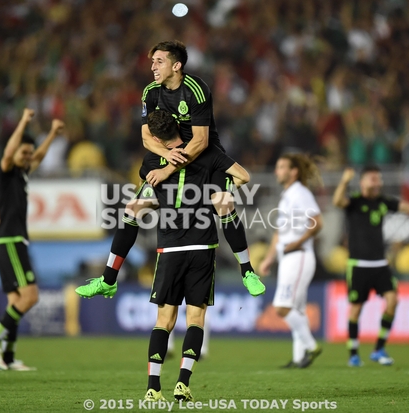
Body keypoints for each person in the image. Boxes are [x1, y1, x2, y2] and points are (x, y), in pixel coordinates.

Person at [76, 40, 264, 300]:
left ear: (176, 66)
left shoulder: (196, 90)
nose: (152, 66)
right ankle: (108, 279)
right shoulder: (150, 92)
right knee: (132, 209)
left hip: (204, 155)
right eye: (152, 61)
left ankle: (247, 271)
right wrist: (166, 155)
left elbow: (200, 141)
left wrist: (166, 171)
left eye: (159, 61)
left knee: (224, 202)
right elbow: (145, 136)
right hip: (170, 153)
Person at [132, 110, 252, 401]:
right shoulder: (208, 155)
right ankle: (183, 382)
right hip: (201, 247)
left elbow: (141, 204)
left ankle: (152, 387)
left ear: (156, 137)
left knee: (164, 319)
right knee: (196, 317)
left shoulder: (151, 162)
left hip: (169, 247)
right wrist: (218, 192)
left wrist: (159, 204)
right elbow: (243, 177)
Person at [0, 108, 64, 371]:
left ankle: (9, 356)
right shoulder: (5, 172)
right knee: (30, 296)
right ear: (13, 152)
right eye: (22, 152)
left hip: (12, 241)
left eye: (28, 153)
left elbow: (38, 155)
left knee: (16, 301)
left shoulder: (22, 174)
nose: (27, 156)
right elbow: (8, 152)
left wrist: (50, 134)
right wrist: (24, 120)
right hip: (10, 240)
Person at [332, 166, 409, 366]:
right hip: (358, 264)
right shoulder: (354, 202)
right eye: (373, 179)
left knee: (392, 301)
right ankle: (353, 353)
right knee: (356, 309)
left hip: (380, 263)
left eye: (378, 179)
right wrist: (344, 181)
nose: (377, 182)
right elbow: (337, 201)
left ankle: (378, 349)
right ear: (362, 182)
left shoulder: (383, 202)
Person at [259, 154, 324, 368]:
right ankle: (299, 358)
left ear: (293, 171)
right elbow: (279, 232)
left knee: (282, 307)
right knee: (297, 308)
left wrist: (299, 243)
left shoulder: (301, 193)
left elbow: (317, 222)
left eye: (281, 167)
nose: (277, 171)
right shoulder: (287, 195)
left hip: (299, 256)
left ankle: (311, 346)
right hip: (286, 257)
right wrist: (269, 258)